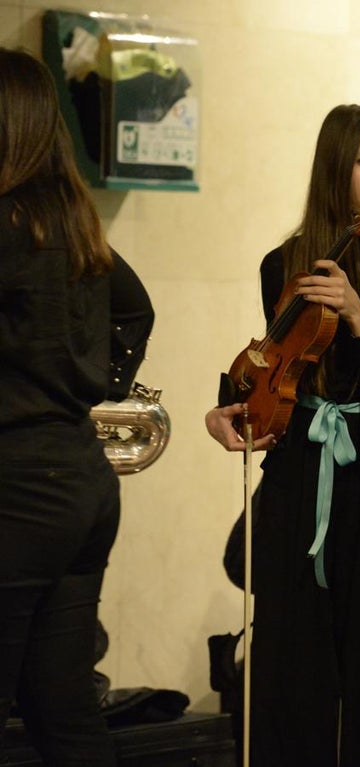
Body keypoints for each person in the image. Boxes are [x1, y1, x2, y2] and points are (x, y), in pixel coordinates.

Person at [203, 104, 360, 766]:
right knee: (289, 657)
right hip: (299, 468)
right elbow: (272, 363)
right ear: (336, 167)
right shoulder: (284, 262)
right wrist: (226, 408)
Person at [0, 47, 154, 765]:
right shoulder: (69, 223)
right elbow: (136, 309)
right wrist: (96, 381)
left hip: (17, 488)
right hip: (81, 483)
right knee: (63, 711)